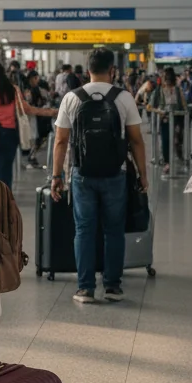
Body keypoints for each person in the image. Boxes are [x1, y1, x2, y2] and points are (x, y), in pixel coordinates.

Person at [50, 48, 148, 304]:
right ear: (112, 69)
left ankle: (85, 288)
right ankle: (113, 287)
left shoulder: (72, 98)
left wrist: (56, 176)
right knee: (114, 230)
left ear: (88, 69)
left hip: (82, 174)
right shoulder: (124, 97)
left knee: (84, 229)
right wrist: (142, 175)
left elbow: (61, 141)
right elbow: (136, 141)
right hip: (116, 173)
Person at [0, 61, 54, 190]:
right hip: (8, 133)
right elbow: (27, 109)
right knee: (5, 170)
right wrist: (51, 112)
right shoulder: (13, 89)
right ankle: (4, 200)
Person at [149, 66, 188, 176]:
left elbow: (183, 104)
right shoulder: (158, 91)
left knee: (176, 140)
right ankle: (167, 162)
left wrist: (185, 112)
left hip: (177, 118)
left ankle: (176, 157)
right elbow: (150, 106)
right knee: (166, 141)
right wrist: (160, 111)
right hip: (165, 119)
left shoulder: (177, 89)